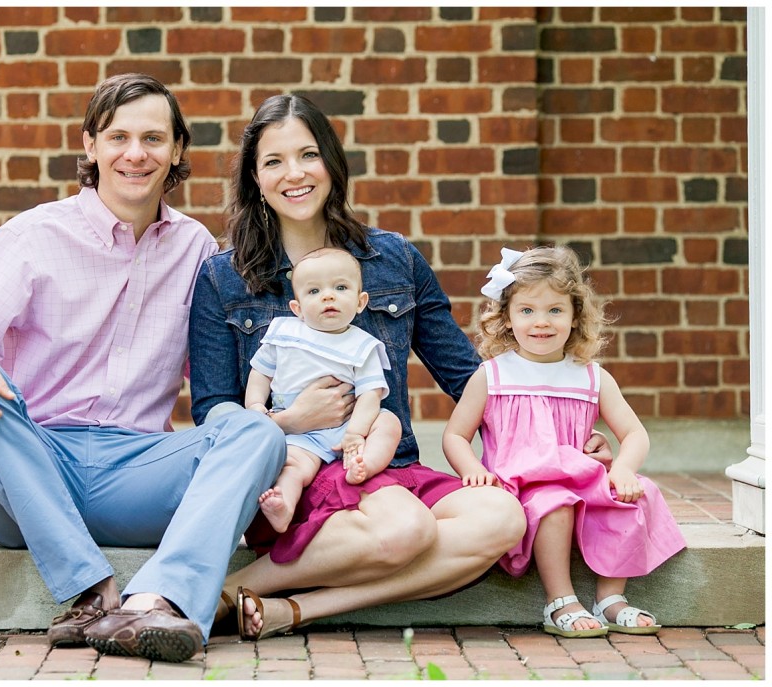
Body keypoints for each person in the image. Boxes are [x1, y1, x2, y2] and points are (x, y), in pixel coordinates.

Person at [187, 94, 613, 640]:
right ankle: (236, 589)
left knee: (502, 517)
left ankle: (280, 606)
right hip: (293, 480)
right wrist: (289, 421)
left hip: (389, 470)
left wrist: (563, 436)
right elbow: (213, 411)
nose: (294, 174)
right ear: (255, 177)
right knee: (407, 528)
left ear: (333, 165)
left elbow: (467, 376)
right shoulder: (223, 279)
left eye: (308, 155)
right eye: (273, 161)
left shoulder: (395, 260)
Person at [0, 73, 285, 663]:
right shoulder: (34, 235)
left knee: (255, 433)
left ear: (178, 150)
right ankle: (91, 592)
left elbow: (220, 382)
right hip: (29, 467)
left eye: (154, 139)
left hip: (136, 473)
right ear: (90, 145)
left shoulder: (196, 250)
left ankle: (158, 604)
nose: (136, 154)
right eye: (118, 137)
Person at [442, 245, 686, 637]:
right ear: (506, 318)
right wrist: (472, 470)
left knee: (632, 495)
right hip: (524, 486)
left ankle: (610, 598)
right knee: (555, 502)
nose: (542, 322)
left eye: (555, 310)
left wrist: (623, 469)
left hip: (581, 480)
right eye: (527, 310)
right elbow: (456, 434)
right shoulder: (492, 376)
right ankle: (561, 600)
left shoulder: (591, 377)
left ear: (576, 317)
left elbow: (635, 433)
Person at [244, 246, 402, 533]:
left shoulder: (363, 346)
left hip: (347, 426)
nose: (328, 296)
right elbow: (260, 374)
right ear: (298, 309)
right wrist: (256, 408)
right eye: (314, 291)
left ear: (360, 301)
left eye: (340, 287)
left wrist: (356, 431)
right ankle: (284, 506)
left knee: (389, 423)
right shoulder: (284, 334)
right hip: (295, 426)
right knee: (294, 468)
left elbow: (370, 395)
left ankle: (364, 464)